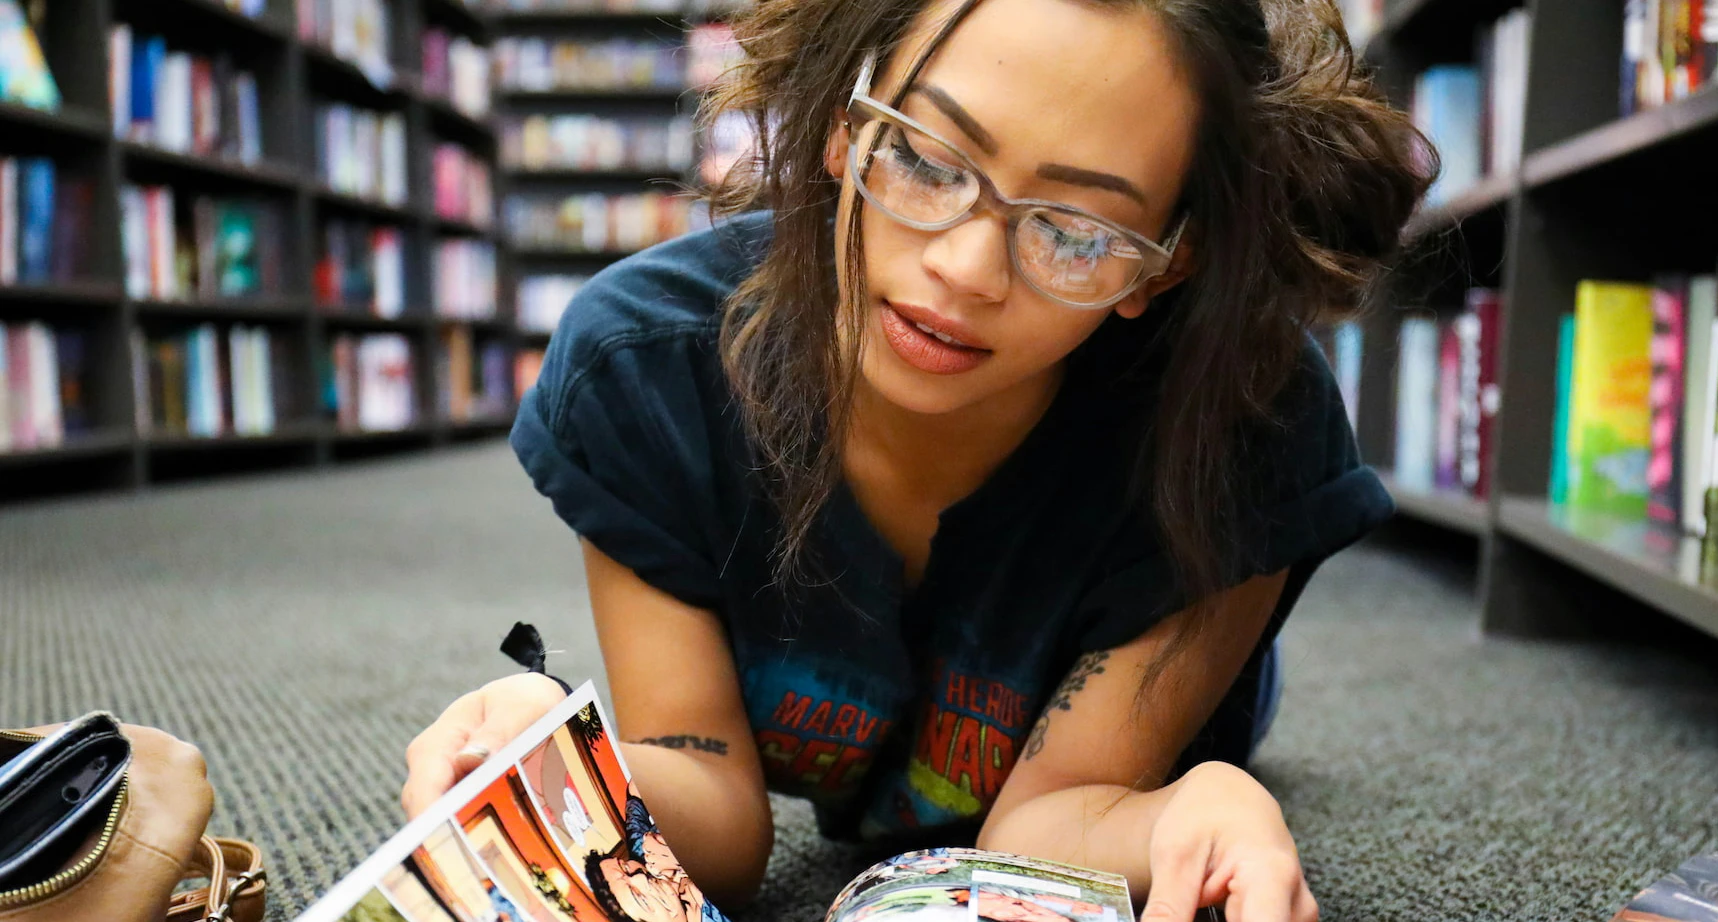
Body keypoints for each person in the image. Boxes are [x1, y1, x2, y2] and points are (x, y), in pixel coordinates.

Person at [403, 0, 1430, 920]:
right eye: (927, 161)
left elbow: (1044, 832)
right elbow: (712, 804)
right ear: (842, 126)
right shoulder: (645, 372)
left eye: (1076, 231)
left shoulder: (1244, 423)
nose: (965, 269)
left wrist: (1202, 805)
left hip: (1119, 716)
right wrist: (559, 760)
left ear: (1167, 264)